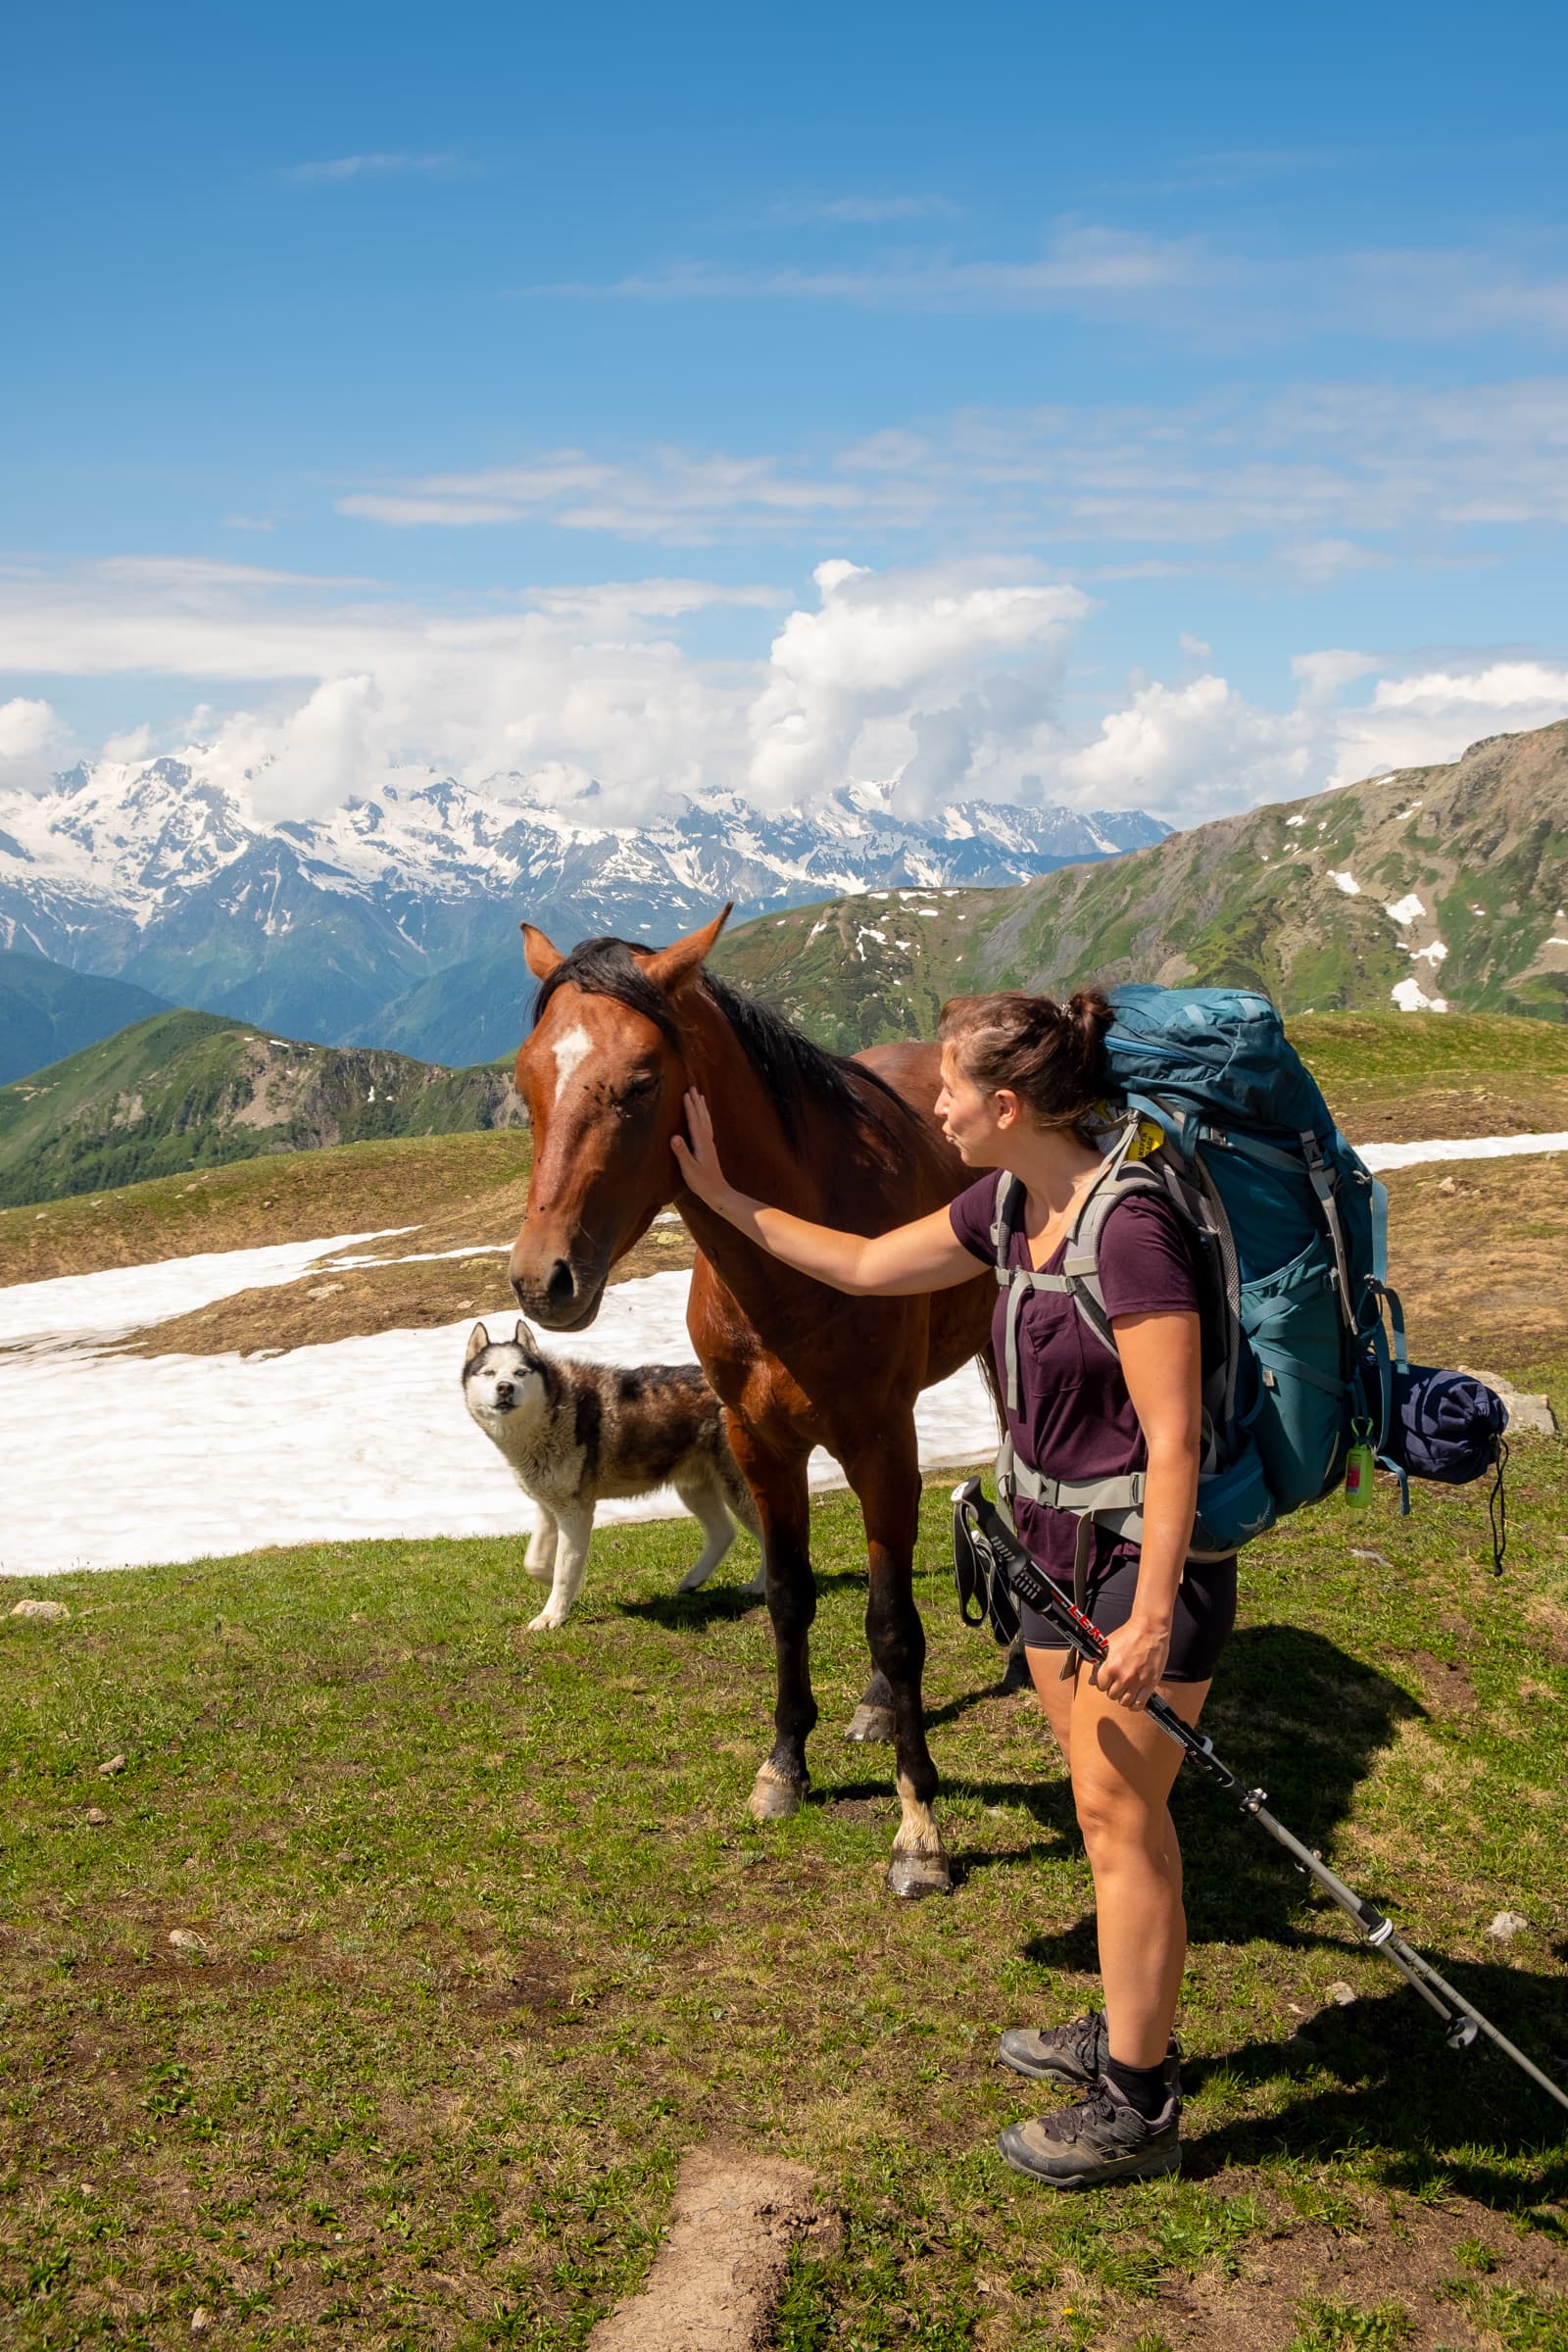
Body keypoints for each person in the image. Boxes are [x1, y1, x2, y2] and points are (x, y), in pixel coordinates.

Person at [670, 986, 1235, 2189]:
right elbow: (870, 1262)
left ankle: (1138, 2108)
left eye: (951, 1092)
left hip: (1135, 1569)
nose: (931, 1106)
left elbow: (1176, 1438)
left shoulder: (1125, 1226)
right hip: (1048, 1556)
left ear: (1012, 1104)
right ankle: (1123, 2028)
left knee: (1124, 1823)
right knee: (1097, 1809)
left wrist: (1148, 1613)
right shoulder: (1004, 1202)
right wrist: (723, 1201)